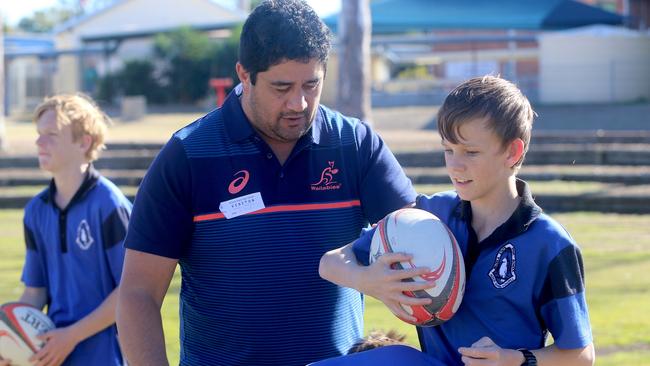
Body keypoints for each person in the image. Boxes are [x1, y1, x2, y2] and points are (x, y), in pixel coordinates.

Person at [115, 1, 415, 365]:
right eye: (281, 87)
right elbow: (138, 294)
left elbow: (414, 238)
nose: (298, 103)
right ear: (244, 74)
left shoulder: (355, 144)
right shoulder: (188, 155)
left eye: (311, 85)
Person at [319, 76, 595, 366]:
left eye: (471, 152)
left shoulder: (549, 243)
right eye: (448, 150)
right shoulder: (429, 215)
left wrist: (512, 359)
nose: (455, 165)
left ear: (512, 152)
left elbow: (581, 355)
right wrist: (368, 280)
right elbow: (331, 262)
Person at [7, 94, 131, 366]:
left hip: (104, 355)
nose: (39, 142)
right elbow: (35, 291)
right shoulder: (35, 211)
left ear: (83, 142)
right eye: (38, 134)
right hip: (53, 354)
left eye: (51, 134)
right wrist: (9, 338)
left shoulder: (109, 205)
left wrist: (72, 336)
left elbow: (131, 290)